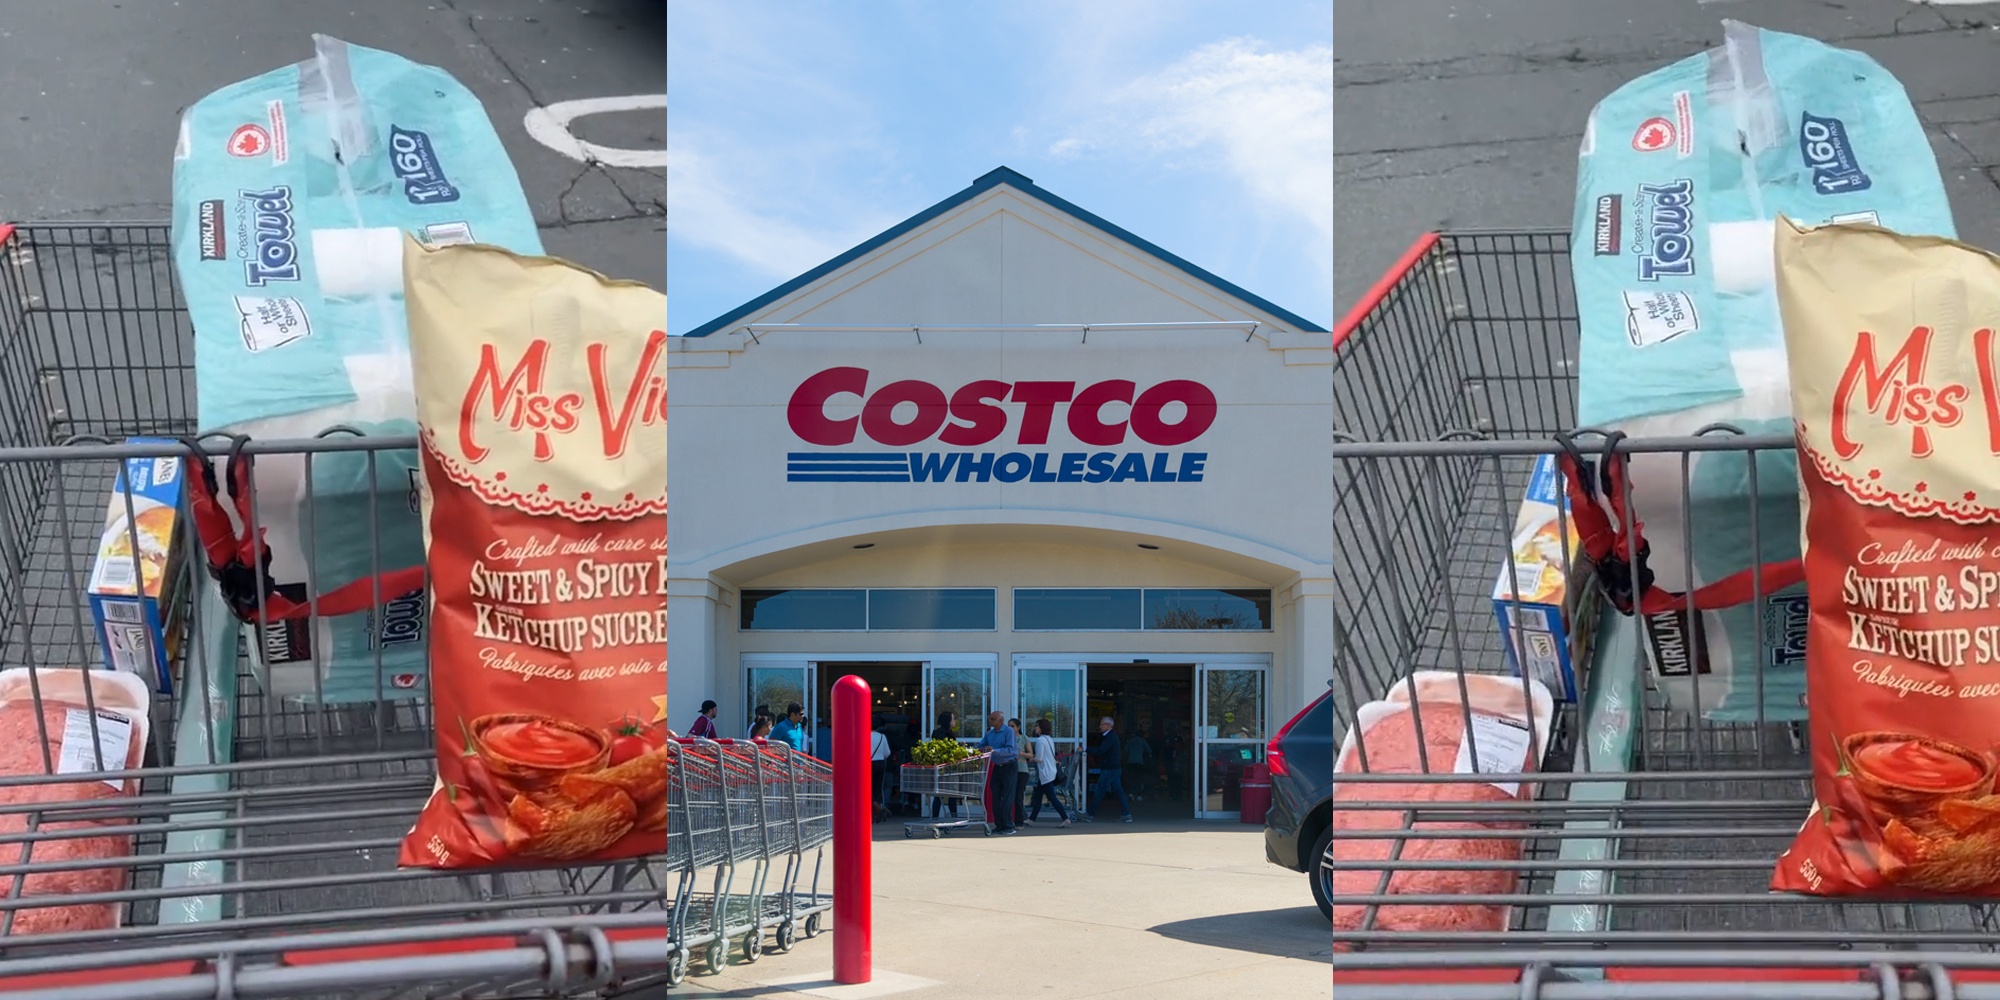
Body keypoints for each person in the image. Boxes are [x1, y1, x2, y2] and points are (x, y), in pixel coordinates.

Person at [977, 710, 1020, 835]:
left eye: (992, 719)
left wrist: (995, 750)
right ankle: (999, 825)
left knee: (1007, 797)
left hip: (1009, 766)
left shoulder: (1009, 732)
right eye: (990, 719)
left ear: (1000, 720)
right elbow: (981, 745)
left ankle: (1008, 826)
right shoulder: (989, 733)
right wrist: (969, 748)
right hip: (997, 766)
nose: (990, 721)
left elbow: (1011, 750)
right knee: (995, 796)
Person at [1024, 718, 1071, 827]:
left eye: (1037, 726)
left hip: (1045, 773)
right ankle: (1032, 819)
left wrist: (1032, 759)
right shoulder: (1049, 739)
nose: (1035, 728)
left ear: (1041, 728)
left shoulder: (1040, 740)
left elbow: (1039, 758)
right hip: (1050, 771)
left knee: (1052, 797)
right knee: (1038, 796)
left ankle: (1065, 818)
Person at [1087, 716, 1133, 823]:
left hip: (1110, 769)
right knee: (1119, 792)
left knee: (1099, 791)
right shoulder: (1112, 737)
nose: (1100, 726)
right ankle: (1127, 814)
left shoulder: (1110, 737)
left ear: (1108, 726)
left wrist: (1085, 749)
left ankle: (1090, 814)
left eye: (1102, 724)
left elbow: (1100, 751)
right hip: (1115, 768)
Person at [929, 712, 960, 819]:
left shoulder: (937, 733)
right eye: (953, 719)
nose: (954, 721)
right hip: (948, 768)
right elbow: (949, 750)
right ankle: (954, 818)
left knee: (939, 795)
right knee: (951, 794)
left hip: (940, 768)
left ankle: (935, 818)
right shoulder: (946, 735)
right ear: (948, 721)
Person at [1008, 718, 1030, 829]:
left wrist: (1022, 754)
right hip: (1009, 770)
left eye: (1013, 726)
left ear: (1018, 727)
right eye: (1009, 726)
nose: (1011, 728)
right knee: (1008, 796)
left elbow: (1031, 754)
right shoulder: (1007, 738)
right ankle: (1008, 820)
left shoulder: (1024, 738)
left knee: (1018, 797)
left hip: (1021, 770)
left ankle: (1019, 822)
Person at [870, 716, 893, 820]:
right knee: (877, 787)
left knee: (866, 787)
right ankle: (876, 808)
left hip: (868, 764)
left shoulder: (863, 735)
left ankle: (875, 807)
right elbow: (887, 753)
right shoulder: (882, 737)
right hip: (880, 763)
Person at [1125, 724, 1153, 802]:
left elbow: (1125, 750)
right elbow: (1150, 750)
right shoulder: (1143, 741)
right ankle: (1139, 795)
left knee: (1131, 778)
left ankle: (1131, 794)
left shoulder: (1130, 741)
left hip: (1130, 762)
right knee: (1138, 779)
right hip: (1139, 762)